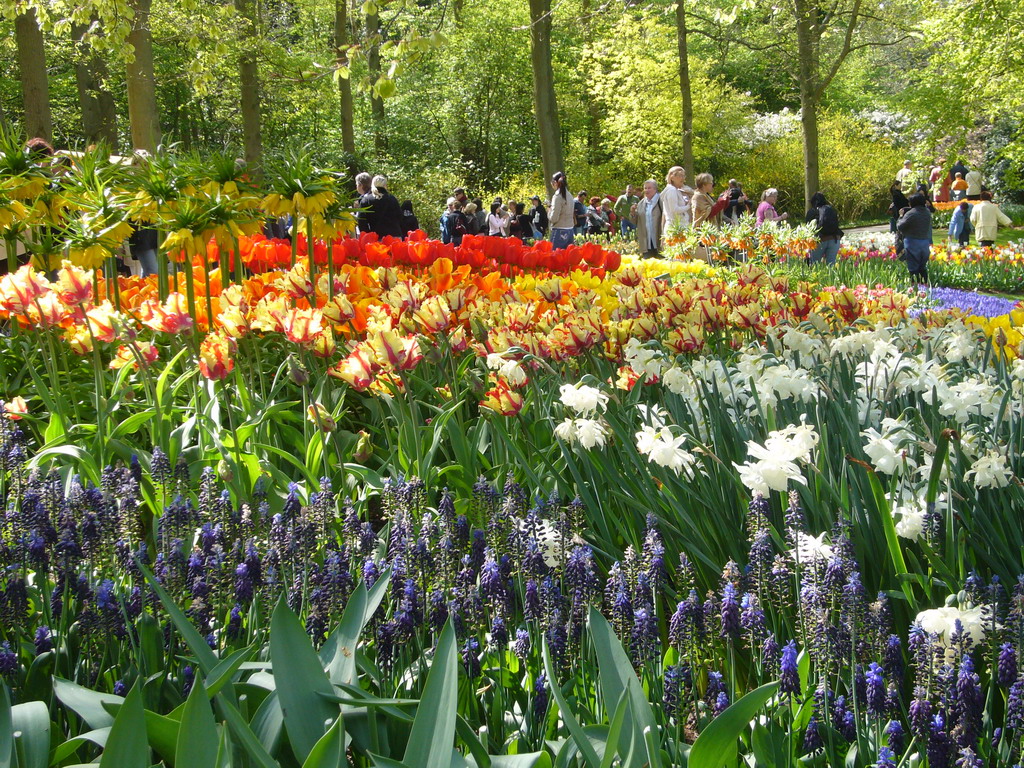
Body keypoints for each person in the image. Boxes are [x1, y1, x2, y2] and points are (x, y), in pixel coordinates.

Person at [896, 194, 932, 283]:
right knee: (922, 267)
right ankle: (925, 284)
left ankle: (915, 286)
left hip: (912, 242)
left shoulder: (911, 213)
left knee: (913, 267)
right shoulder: (927, 212)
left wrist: (901, 216)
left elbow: (900, 226)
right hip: (924, 242)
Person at [805, 192, 843, 266]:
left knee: (815, 264)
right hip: (834, 239)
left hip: (819, 240)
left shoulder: (812, 211)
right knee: (831, 265)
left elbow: (808, 227)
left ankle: (817, 277)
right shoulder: (831, 209)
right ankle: (831, 277)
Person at [634, 179, 663, 258]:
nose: (646, 190)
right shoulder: (641, 203)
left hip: (660, 241)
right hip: (646, 243)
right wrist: (632, 213)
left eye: (649, 188)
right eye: (645, 188)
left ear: (655, 189)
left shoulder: (661, 200)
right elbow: (635, 221)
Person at [662, 166, 693, 232]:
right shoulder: (671, 190)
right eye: (680, 176)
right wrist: (688, 206)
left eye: (684, 176)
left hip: (680, 227)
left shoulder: (677, 190)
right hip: (675, 228)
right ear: (672, 177)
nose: (683, 178)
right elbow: (674, 210)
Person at [549, 172, 575, 249]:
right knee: (567, 258)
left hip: (559, 230)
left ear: (555, 183)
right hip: (570, 229)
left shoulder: (557, 196)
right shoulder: (570, 195)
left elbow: (554, 218)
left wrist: (549, 211)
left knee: (554, 257)